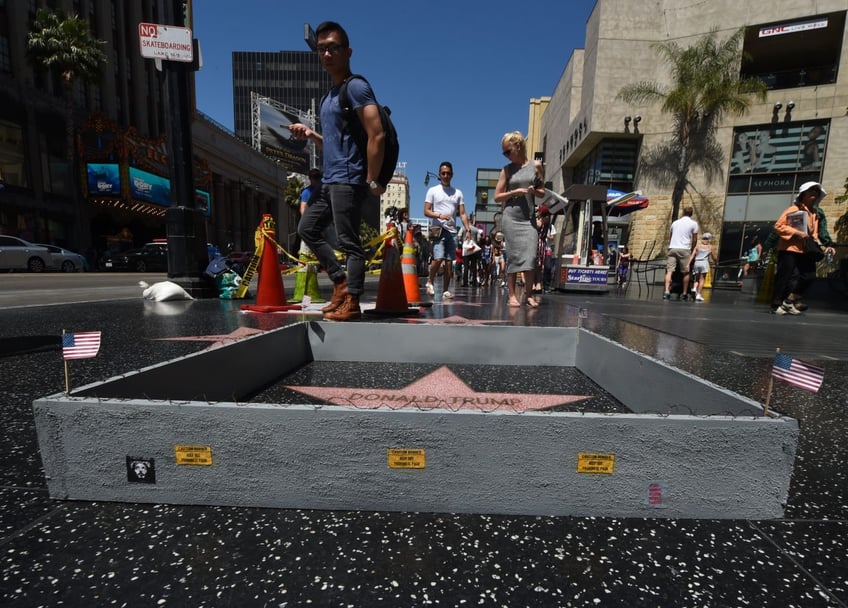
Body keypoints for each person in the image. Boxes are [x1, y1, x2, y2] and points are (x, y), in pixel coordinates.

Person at [289, 21, 386, 322]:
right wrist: (311, 135)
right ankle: (340, 283)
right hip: (330, 179)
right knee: (307, 228)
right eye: (322, 49)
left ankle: (353, 302)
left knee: (349, 241)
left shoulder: (355, 87)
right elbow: (335, 143)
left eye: (333, 47)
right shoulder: (327, 97)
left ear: (348, 51)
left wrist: (371, 179)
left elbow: (377, 133)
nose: (327, 54)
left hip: (349, 179)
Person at [494, 131, 545, 307]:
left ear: (518, 146)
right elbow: (497, 196)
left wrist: (533, 191)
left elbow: (542, 191)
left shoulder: (536, 165)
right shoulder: (506, 170)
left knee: (530, 257)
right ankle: (512, 295)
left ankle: (529, 295)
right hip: (511, 218)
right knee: (514, 257)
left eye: (508, 151)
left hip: (528, 218)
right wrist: (514, 192)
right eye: (504, 153)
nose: (506, 156)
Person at [771, 181, 836, 315]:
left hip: (806, 250)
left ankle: (789, 301)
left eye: (817, 191)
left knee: (810, 276)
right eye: (811, 190)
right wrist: (798, 233)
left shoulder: (815, 214)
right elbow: (778, 226)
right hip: (790, 249)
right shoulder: (794, 209)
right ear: (803, 194)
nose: (814, 193)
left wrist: (827, 246)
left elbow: (815, 235)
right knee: (786, 277)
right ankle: (777, 304)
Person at [424, 161, 472, 299]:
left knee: (450, 262)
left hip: (452, 231)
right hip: (438, 229)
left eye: (448, 173)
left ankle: (445, 290)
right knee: (438, 258)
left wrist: (467, 229)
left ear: (452, 175)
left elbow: (462, 213)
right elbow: (426, 211)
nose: (446, 175)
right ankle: (429, 281)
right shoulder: (433, 191)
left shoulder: (458, 193)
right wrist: (439, 215)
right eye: (443, 173)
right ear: (439, 174)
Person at [663, 206, 699, 301]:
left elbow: (670, 236)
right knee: (686, 272)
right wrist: (692, 250)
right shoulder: (693, 224)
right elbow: (694, 239)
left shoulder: (675, 223)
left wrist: (672, 244)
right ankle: (684, 293)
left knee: (669, 271)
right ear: (691, 214)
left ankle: (666, 291)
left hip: (673, 247)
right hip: (684, 249)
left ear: (683, 213)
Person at [688, 233, 717, 302]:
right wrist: (716, 262)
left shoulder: (698, 246)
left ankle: (694, 288)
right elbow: (714, 257)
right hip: (704, 263)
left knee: (696, 278)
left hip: (697, 263)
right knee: (702, 279)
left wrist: (688, 264)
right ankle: (698, 295)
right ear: (709, 239)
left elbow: (692, 256)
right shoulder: (710, 247)